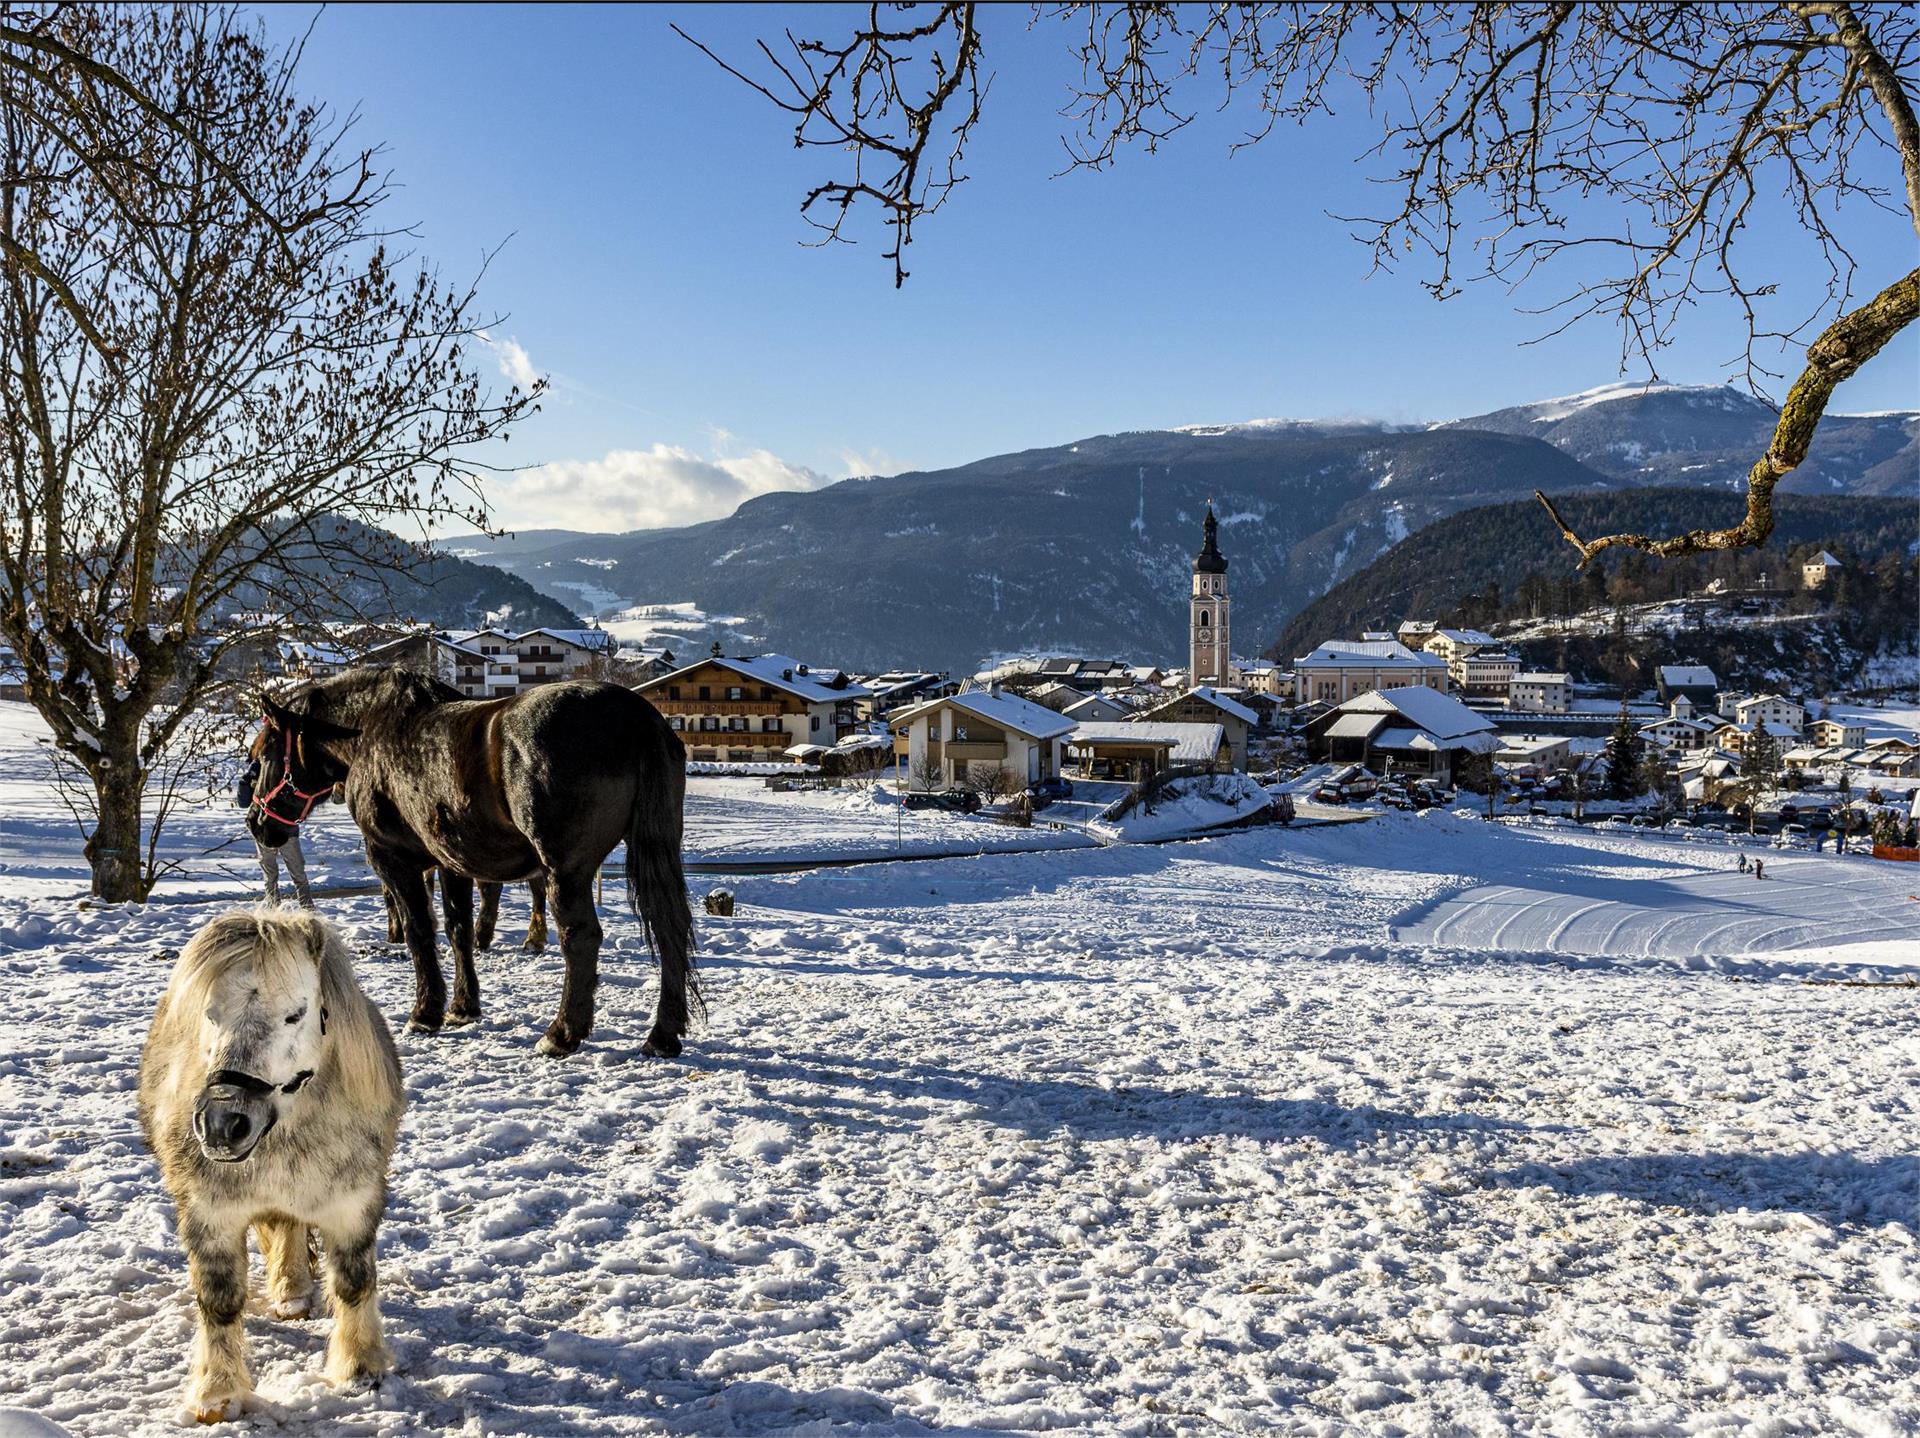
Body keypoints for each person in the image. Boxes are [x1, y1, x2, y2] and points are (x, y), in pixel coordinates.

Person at [236, 755, 314, 909]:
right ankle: (307, 909)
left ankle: (277, 907)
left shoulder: (259, 768)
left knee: (271, 875)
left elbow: (243, 802)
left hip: (266, 827)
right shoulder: (291, 768)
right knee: (297, 874)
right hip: (279, 829)